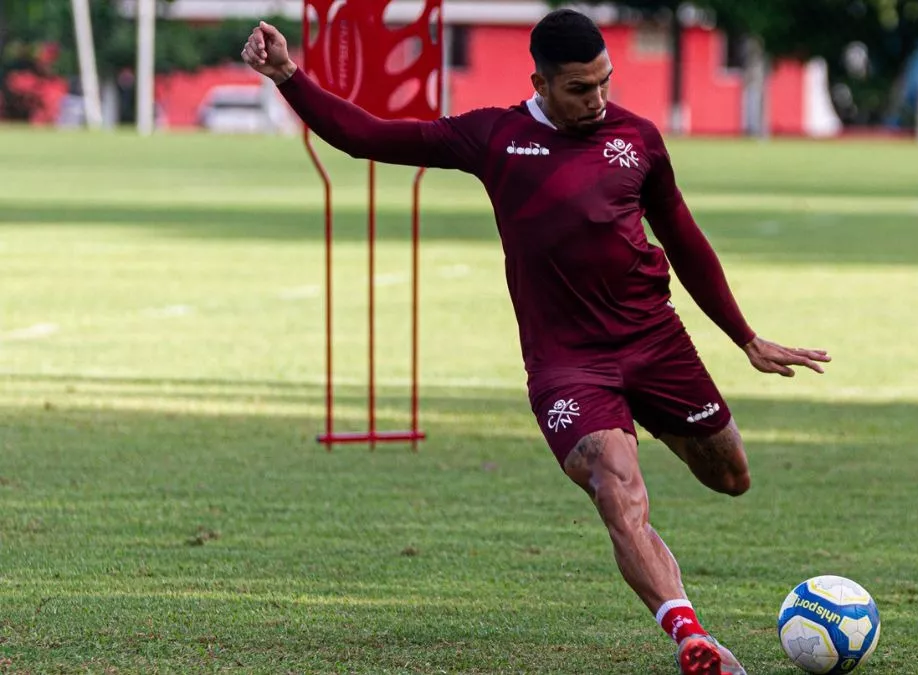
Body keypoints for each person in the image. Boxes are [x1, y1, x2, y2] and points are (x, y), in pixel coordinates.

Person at [241, 10, 830, 675]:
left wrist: (744, 337)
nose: (598, 99)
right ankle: (691, 637)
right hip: (567, 366)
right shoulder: (495, 136)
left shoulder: (637, 139)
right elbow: (366, 136)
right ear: (540, 83)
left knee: (730, 476)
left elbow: (684, 238)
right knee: (617, 486)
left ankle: (658, 437)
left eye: (605, 82)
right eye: (580, 88)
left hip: (655, 343)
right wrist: (288, 76)